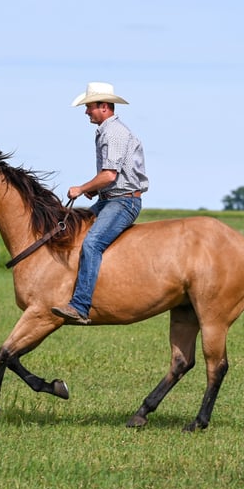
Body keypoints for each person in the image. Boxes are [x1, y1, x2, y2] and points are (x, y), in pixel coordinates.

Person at [52, 82, 149, 325]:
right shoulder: (107, 131)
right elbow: (111, 178)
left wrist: (82, 188)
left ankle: (81, 306)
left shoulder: (113, 133)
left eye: (89, 107)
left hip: (122, 203)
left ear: (104, 107)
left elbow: (109, 175)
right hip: (111, 199)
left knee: (92, 243)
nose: (86, 112)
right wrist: (96, 191)